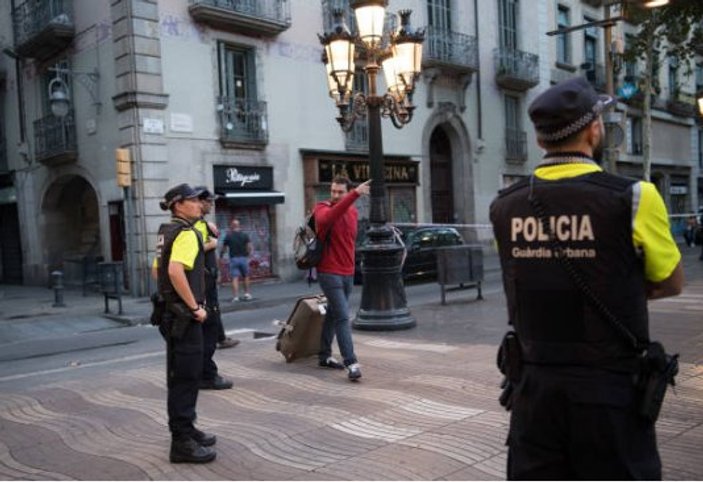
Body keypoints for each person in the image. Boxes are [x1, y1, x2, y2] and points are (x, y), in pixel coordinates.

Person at [489, 77, 684, 480]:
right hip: (608, 389)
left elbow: (525, 273)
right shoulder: (633, 196)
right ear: (594, 129)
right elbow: (671, 281)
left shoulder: (504, 206)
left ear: (541, 141)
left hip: (534, 390)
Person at [154, 183, 217, 464]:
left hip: (170, 314)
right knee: (186, 379)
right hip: (184, 316)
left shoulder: (166, 231)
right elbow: (174, 270)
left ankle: (187, 430)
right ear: (178, 205)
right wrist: (194, 307)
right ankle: (181, 442)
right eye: (193, 200)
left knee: (180, 376)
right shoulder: (187, 233)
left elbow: (156, 270)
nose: (199, 204)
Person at [313, 175, 371, 381]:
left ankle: (324, 355)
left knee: (333, 313)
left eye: (340, 192)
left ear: (346, 192)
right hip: (328, 272)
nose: (335, 195)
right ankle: (351, 362)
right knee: (343, 316)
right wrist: (355, 194)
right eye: (333, 191)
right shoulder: (322, 208)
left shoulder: (353, 212)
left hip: (347, 272)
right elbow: (327, 219)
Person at [193, 187, 237, 390]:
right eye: (208, 201)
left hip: (206, 284)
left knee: (208, 331)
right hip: (202, 286)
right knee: (207, 333)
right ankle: (207, 376)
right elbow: (190, 248)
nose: (211, 205)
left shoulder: (201, 223)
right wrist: (211, 244)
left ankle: (203, 372)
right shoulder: (193, 225)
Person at [220, 219, 253, 302]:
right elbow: (249, 246)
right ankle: (247, 294)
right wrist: (248, 255)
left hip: (234, 258)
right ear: (239, 226)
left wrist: (221, 256)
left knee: (235, 278)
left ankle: (236, 296)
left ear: (232, 226)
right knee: (246, 276)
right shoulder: (244, 235)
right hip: (243, 258)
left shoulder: (228, 236)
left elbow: (224, 248)